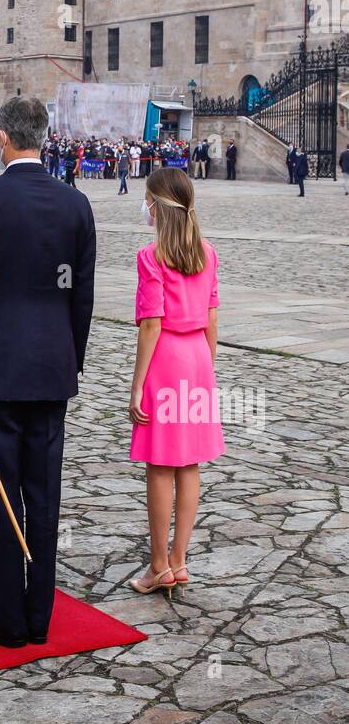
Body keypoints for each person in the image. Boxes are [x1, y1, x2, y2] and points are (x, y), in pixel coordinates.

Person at [0, 96, 96, 647]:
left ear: (2, 138)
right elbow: (81, 297)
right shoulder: (75, 204)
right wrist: (69, 360)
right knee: (43, 494)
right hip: (51, 369)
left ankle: (7, 618)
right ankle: (39, 616)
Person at [128, 167, 223, 595]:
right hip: (198, 358)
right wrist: (209, 368)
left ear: (157, 206)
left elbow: (151, 324)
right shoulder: (207, 253)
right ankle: (181, 560)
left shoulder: (152, 257)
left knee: (160, 464)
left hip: (166, 358)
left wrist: (136, 385)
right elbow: (212, 318)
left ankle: (158, 564)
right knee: (190, 464)